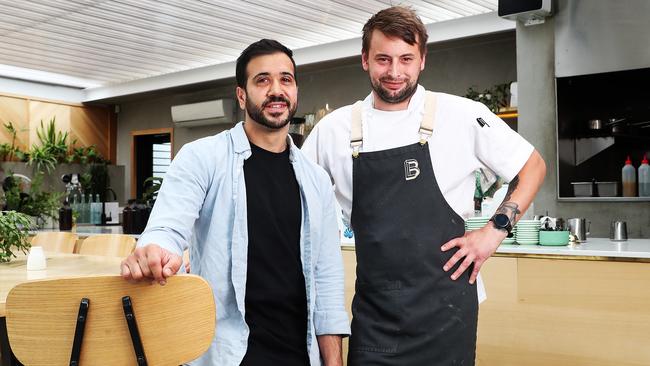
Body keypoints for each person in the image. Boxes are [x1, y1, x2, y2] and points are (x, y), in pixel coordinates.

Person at [302, 6, 546, 365]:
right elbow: (298, 204)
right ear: (365, 59)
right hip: (375, 319)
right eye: (383, 59)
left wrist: (493, 233)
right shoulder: (335, 130)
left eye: (406, 58)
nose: (395, 72)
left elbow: (533, 166)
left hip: (447, 316)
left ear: (423, 60)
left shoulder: (462, 115)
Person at [121, 39, 350, 366]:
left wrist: (334, 363)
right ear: (242, 95)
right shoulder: (202, 158)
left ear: (295, 90)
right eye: (262, 80)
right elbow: (168, 227)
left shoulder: (316, 180)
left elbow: (327, 284)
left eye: (285, 79)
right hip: (226, 355)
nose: (276, 90)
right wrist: (155, 248)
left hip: (299, 355)